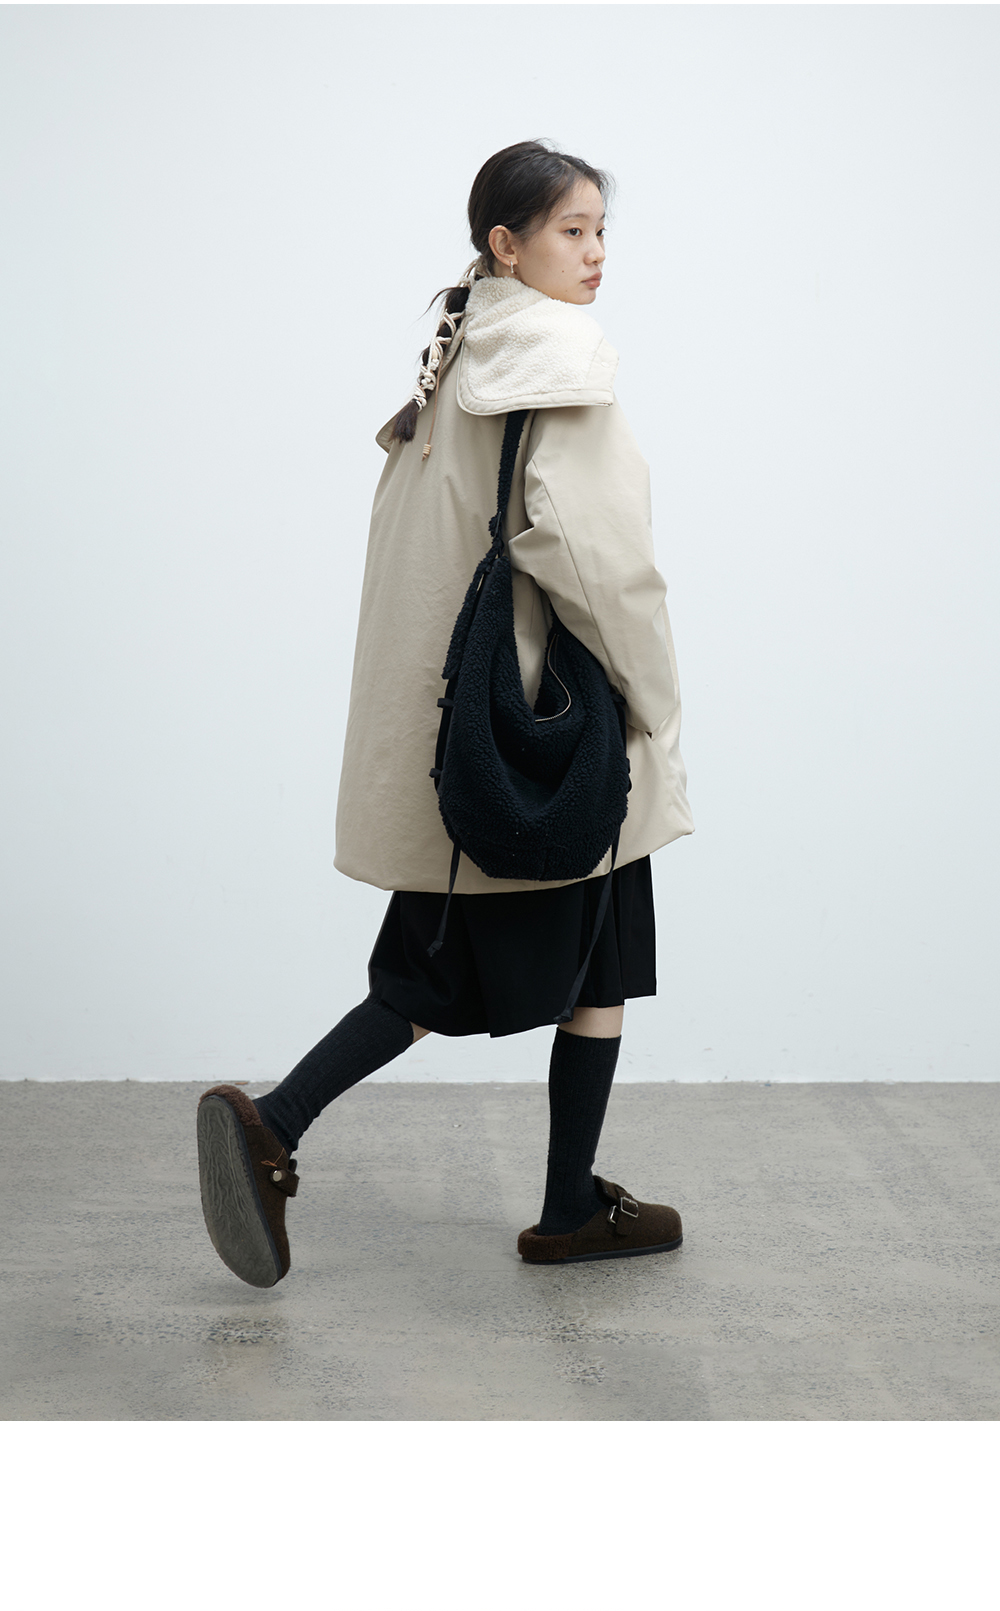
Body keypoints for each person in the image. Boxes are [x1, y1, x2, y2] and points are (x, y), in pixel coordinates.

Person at [196, 140, 693, 1288]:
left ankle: (568, 1207)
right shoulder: (555, 364)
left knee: (602, 957)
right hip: (548, 743)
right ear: (504, 244)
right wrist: (657, 700)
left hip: (471, 732)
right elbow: (598, 561)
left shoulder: (455, 358)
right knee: (437, 975)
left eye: (601, 230)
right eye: (570, 231)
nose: (596, 253)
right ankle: (275, 1122)